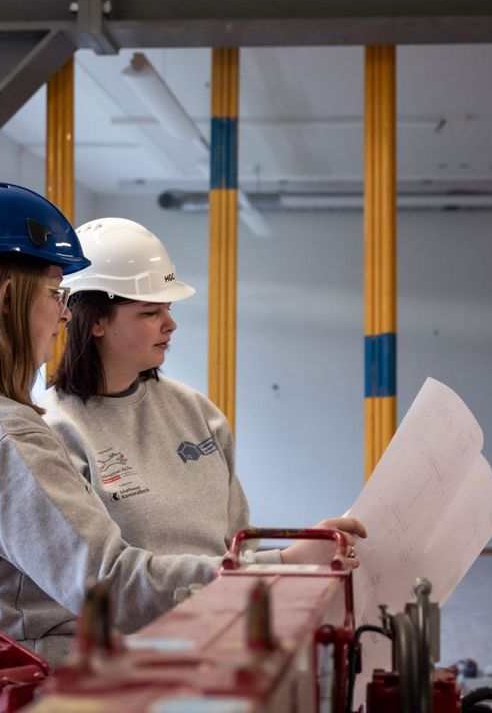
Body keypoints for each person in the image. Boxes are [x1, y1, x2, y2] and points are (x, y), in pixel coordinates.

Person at [0, 184, 361, 666]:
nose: (65, 313)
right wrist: (281, 567)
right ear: (6, 300)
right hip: (42, 683)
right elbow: (112, 586)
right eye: (54, 293)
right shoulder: (6, 435)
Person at [37, 217, 365, 566]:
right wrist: (287, 561)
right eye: (150, 312)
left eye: (169, 308)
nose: (170, 323)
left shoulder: (197, 413)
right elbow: (104, 579)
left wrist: (303, 556)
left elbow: (240, 550)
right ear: (95, 321)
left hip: (222, 614)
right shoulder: (57, 432)